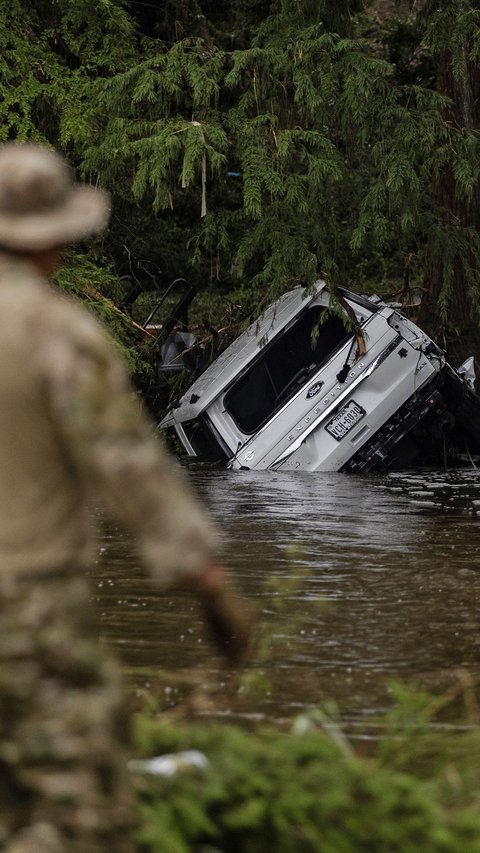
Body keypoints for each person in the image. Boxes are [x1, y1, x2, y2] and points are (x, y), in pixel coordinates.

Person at [0, 142, 250, 853]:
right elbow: (132, 472)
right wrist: (208, 580)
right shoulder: (59, 337)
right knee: (82, 809)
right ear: (54, 238)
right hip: (29, 609)